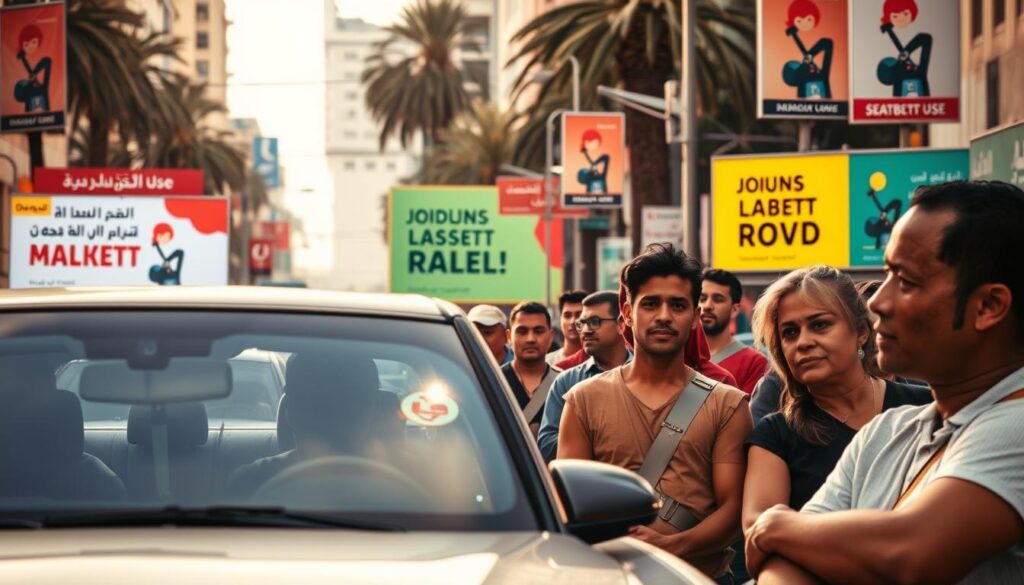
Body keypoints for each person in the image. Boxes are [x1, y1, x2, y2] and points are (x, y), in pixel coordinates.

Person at [745, 181, 1024, 584]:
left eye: (905, 281)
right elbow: (780, 564)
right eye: (789, 332)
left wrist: (776, 525)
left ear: (988, 307)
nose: (877, 302)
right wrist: (784, 537)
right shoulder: (885, 432)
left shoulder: (1014, 426)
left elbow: (913, 552)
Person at [559, 244, 751, 584]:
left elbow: (734, 510)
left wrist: (674, 546)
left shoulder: (729, 404)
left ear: (694, 317)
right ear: (627, 312)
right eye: (650, 303)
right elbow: (571, 507)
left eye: (677, 305)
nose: (664, 316)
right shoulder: (582, 400)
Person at [742, 266, 931, 532]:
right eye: (790, 333)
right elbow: (758, 534)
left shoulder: (926, 407)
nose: (803, 342)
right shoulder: (776, 435)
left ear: (861, 332)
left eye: (820, 325)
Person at [229, 352, 381, 498]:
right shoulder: (251, 480)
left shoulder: (253, 481)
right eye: (316, 406)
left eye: (346, 406)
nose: (329, 420)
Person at [537, 291, 631, 461]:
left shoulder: (644, 374)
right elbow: (546, 445)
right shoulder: (566, 382)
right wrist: (597, 438)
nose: (586, 331)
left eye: (595, 322)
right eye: (582, 323)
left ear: (621, 324)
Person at [700, 269, 769, 394]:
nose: (707, 306)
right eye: (702, 298)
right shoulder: (678, 355)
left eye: (718, 299)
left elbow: (748, 412)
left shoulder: (754, 363)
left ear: (735, 310)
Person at [501, 302, 561, 436]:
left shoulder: (564, 383)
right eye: (522, 331)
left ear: (551, 336)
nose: (530, 339)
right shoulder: (493, 381)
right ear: (509, 337)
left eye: (538, 331)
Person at [547, 290, 589, 365]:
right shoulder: (547, 364)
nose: (572, 321)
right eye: (567, 315)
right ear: (560, 319)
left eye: (579, 315)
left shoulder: (599, 362)